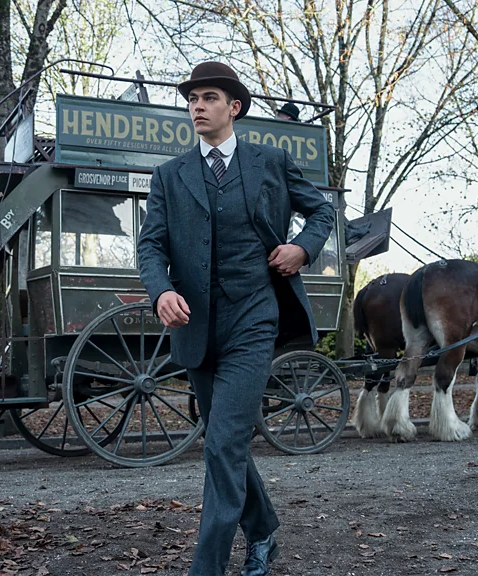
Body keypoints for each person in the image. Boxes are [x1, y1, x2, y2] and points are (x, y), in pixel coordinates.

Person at [137, 62, 334, 576]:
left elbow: (322, 214)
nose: (196, 106)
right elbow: (150, 246)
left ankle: (209, 568)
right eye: (192, 99)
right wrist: (161, 292)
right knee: (222, 441)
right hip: (196, 327)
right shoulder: (169, 176)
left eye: (208, 98)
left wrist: (302, 249)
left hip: (255, 316)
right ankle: (264, 526)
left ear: (234, 107)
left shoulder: (271, 161)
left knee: (224, 442)